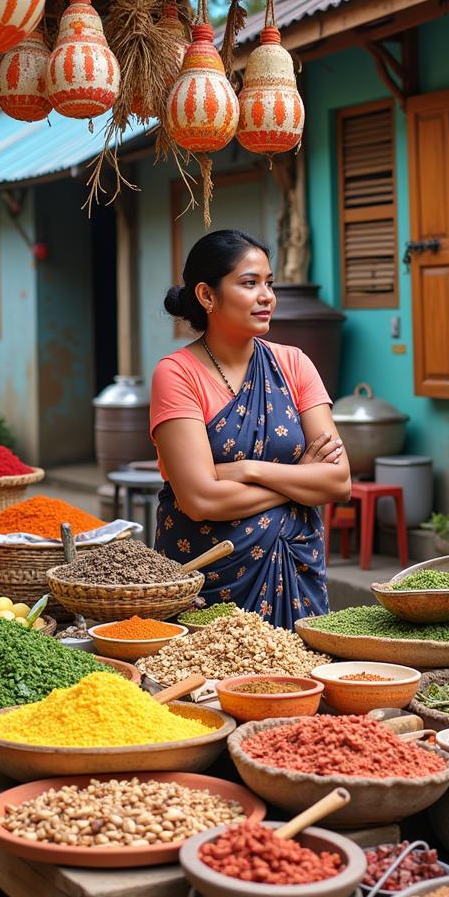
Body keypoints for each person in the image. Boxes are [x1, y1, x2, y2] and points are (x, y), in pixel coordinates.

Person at [150, 230, 351, 627]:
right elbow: (200, 500)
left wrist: (247, 470)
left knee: (302, 682)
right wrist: (298, 482)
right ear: (207, 296)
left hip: (295, 566)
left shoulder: (295, 364)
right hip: (209, 580)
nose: (267, 296)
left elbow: (338, 483)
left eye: (269, 283)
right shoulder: (176, 375)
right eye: (249, 283)